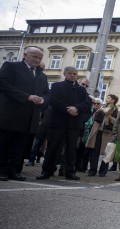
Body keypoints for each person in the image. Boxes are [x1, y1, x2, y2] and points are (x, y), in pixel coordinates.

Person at [0, 46, 49, 181]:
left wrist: (43, 100)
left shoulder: (42, 75)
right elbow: (3, 84)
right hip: (11, 114)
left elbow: (46, 93)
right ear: (25, 55)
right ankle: (2, 170)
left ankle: (14, 171)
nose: (37, 59)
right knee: (4, 144)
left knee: (19, 147)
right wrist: (27, 96)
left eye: (40, 58)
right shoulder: (11, 66)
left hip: (30, 117)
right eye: (34, 56)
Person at [36, 66, 91, 180]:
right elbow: (53, 101)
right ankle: (47, 170)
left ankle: (70, 171)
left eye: (74, 74)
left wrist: (76, 108)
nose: (72, 75)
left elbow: (86, 104)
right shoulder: (56, 86)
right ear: (65, 74)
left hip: (74, 124)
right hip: (58, 122)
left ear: (77, 76)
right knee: (53, 147)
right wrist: (68, 108)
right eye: (70, 73)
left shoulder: (81, 90)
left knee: (71, 149)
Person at [86, 94, 118, 177]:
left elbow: (116, 122)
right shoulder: (102, 107)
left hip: (107, 133)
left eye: (108, 98)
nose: (106, 99)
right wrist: (99, 111)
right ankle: (92, 170)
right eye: (107, 97)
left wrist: (110, 117)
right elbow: (94, 117)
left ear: (113, 100)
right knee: (94, 151)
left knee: (106, 153)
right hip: (98, 131)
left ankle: (103, 171)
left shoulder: (115, 110)